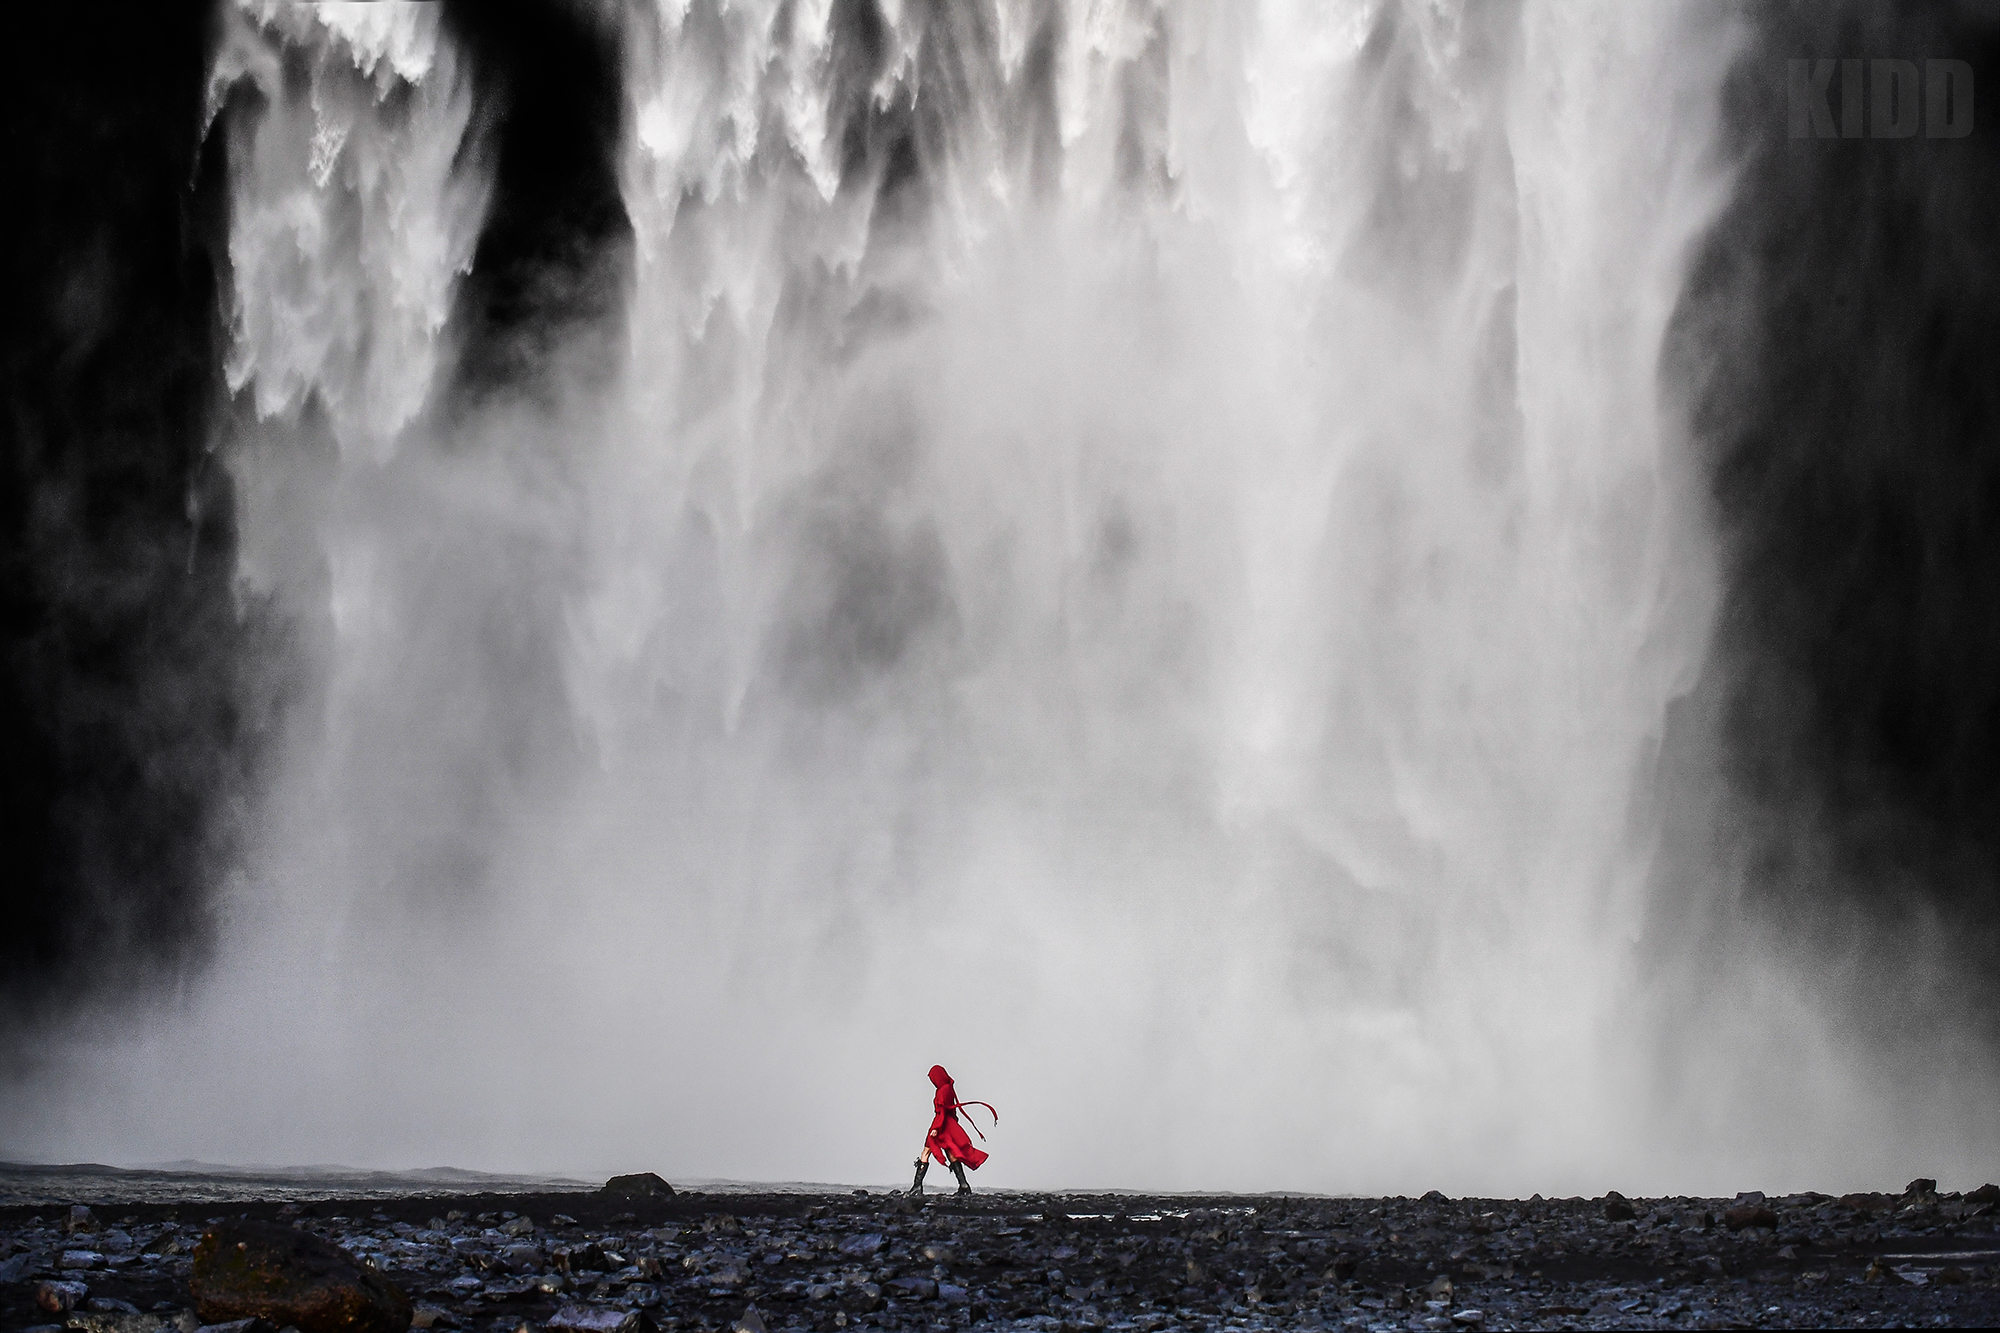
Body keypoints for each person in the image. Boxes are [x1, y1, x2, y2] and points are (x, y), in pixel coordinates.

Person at [910, 1064, 993, 1197]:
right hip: (948, 1124)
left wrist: (936, 1128)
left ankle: (917, 1186)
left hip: (940, 1123)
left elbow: (942, 1111)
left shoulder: (942, 1090)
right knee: (951, 1153)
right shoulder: (948, 1088)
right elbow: (951, 1109)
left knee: (926, 1151)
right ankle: (964, 1185)